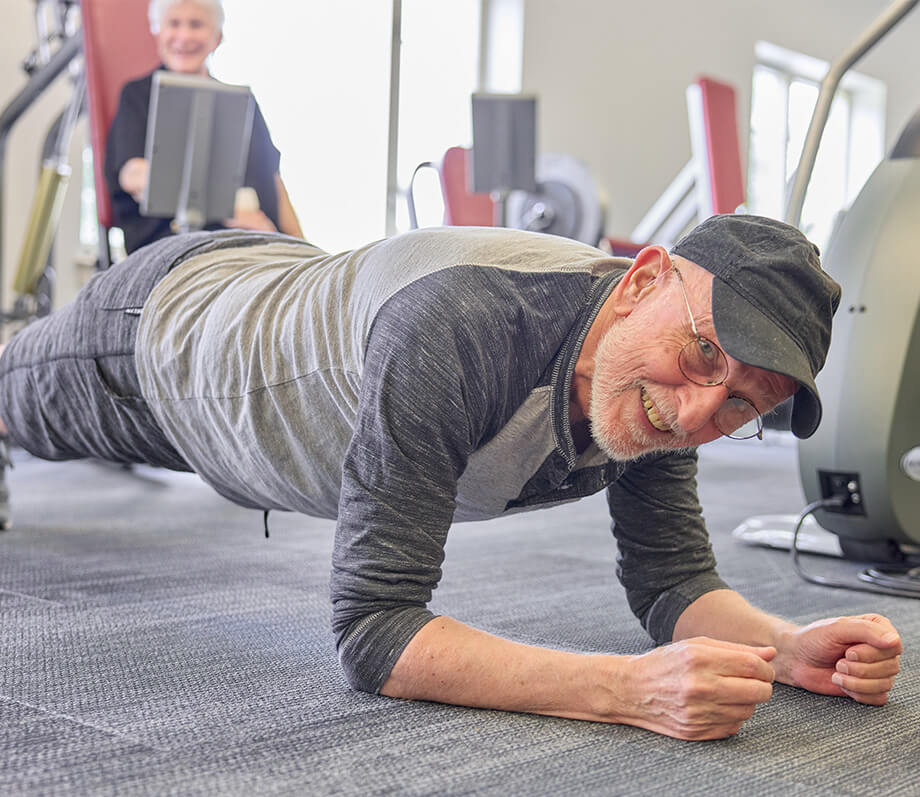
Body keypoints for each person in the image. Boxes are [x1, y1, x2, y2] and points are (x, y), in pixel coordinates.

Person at [0, 215, 902, 741]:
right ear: (642, 282)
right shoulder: (462, 326)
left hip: (278, 355)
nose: (706, 412)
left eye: (748, 403)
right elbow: (374, 633)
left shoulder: (671, 389)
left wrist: (784, 647)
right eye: (704, 354)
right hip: (166, 344)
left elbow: (675, 582)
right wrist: (628, 690)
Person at [104, 0, 303, 253]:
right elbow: (134, 176)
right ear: (158, 31)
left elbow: (273, 182)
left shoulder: (244, 103)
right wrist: (232, 212)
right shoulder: (138, 96)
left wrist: (303, 247)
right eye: (174, 24)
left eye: (196, 25)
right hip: (179, 247)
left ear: (217, 37)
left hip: (264, 244)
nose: (184, 36)